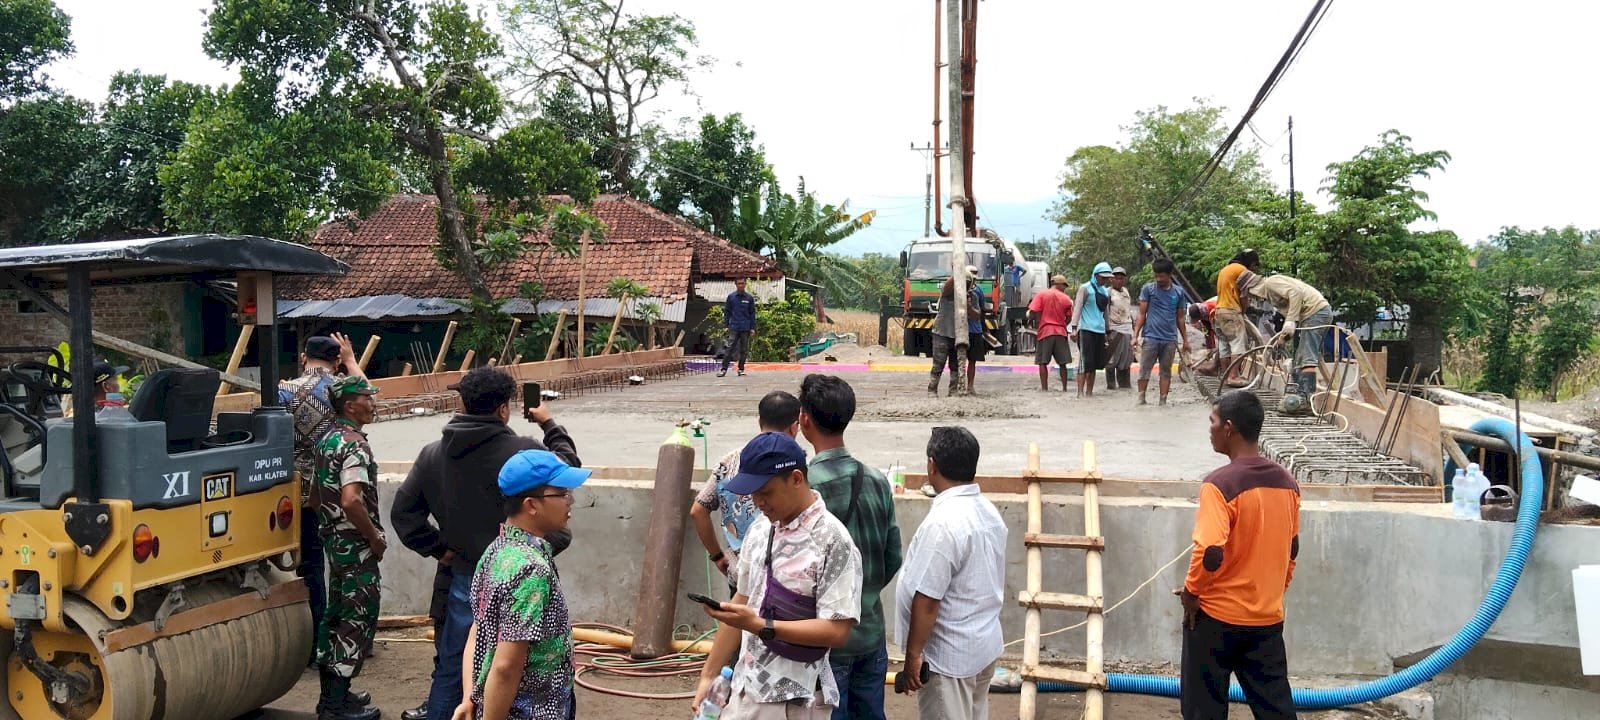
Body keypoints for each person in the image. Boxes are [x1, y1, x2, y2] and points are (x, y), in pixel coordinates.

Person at [391, 366, 582, 720]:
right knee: (516, 666)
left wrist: (438, 548)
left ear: (462, 402)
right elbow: (564, 471)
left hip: (464, 574)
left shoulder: (433, 454)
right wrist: (549, 424)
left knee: (456, 670)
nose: (566, 500)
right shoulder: (521, 453)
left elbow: (404, 513)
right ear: (503, 409)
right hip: (516, 572)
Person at [691, 432, 864, 719]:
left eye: (765, 492)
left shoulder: (832, 541)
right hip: (744, 686)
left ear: (796, 478)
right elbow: (742, 600)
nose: (758, 501)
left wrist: (762, 625)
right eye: (752, 493)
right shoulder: (760, 529)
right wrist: (708, 676)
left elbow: (837, 630)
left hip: (795, 700)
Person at [1178, 390, 1301, 720]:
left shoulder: (1218, 485)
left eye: (1213, 421)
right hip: (1266, 619)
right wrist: (1273, 592)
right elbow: (1292, 549)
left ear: (1229, 428)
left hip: (1216, 619)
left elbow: (1210, 551)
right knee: (1276, 708)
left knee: (1203, 709)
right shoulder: (1288, 483)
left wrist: (1192, 593)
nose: (1210, 428)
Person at [450, 449, 591, 720]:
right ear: (531, 505)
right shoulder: (530, 570)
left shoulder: (496, 551)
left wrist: (470, 697)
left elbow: (477, 632)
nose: (570, 501)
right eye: (561, 494)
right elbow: (506, 666)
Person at [799, 374, 902, 720]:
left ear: (804, 420)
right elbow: (892, 556)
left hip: (827, 643)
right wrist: (865, 593)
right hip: (871, 633)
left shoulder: (804, 490)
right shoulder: (876, 480)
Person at [897, 426, 1007, 720]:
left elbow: (928, 599)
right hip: (980, 642)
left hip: (950, 656)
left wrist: (913, 655)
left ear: (931, 466)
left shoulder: (944, 523)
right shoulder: (987, 510)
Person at [278, 333, 360, 672]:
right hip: (341, 486)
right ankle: (349, 641)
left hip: (299, 492)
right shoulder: (341, 390)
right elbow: (372, 402)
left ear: (303, 357)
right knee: (346, 566)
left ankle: (314, 645)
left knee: (310, 567)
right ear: (336, 361)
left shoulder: (283, 391)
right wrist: (353, 364)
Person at [312, 375, 385, 720]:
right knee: (358, 618)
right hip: (356, 545)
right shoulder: (354, 444)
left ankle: (332, 696)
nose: (373, 403)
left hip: (333, 542)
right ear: (349, 405)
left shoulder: (326, 440)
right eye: (367, 398)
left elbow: (313, 496)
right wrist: (373, 536)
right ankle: (336, 706)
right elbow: (352, 499)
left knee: (335, 614)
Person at [691, 390, 803, 596]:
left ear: (760, 421)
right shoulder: (795, 467)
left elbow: (698, 510)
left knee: (739, 626)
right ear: (795, 427)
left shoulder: (728, 462)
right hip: (782, 583)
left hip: (740, 576)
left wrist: (717, 556)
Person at [1237, 270, 1333, 397]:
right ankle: (1299, 395)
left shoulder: (1271, 282)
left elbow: (1296, 293)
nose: (1252, 298)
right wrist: (1282, 339)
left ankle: (1305, 398)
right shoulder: (1271, 296)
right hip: (1311, 315)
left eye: (1249, 295)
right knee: (1299, 357)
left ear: (1252, 289)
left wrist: (1291, 320)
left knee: (1306, 357)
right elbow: (1292, 313)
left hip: (1315, 312)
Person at [1134, 258, 1191, 406]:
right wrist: (1135, 336)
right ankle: (1141, 399)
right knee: (1144, 369)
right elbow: (1141, 314)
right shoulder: (1148, 289)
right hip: (1151, 337)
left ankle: (1163, 401)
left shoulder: (1178, 293)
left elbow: (1180, 318)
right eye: (1156, 275)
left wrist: (1185, 340)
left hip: (1169, 339)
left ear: (1170, 274)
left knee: (1165, 372)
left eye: (1162, 276)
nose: (1159, 279)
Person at [928, 266, 982, 397]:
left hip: (959, 335)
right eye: (965, 282)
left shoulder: (972, 296)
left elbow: (977, 315)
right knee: (938, 365)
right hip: (942, 332)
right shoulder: (948, 293)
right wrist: (958, 273)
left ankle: (953, 391)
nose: (967, 285)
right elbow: (947, 286)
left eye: (969, 283)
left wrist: (969, 307)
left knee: (956, 366)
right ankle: (932, 390)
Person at [1213, 250, 1260, 388]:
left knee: (1224, 345)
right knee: (1239, 344)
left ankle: (1226, 376)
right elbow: (1243, 296)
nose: (1253, 268)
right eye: (1254, 265)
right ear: (1251, 263)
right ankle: (1233, 377)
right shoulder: (1242, 270)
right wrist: (1244, 311)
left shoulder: (1225, 269)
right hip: (1232, 311)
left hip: (1219, 311)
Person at [1070, 262, 1115, 397]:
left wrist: (1107, 331)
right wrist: (1073, 328)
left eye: (1107, 278)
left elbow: (1105, 313)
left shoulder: (1104, 292)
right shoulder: (1085, 288)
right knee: (1085, 362)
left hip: (1099, 331)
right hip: (1086, 330)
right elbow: (1077, 308)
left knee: (1095, 363)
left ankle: (1089, 393)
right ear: (1096, 276)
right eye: (1102, 278)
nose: (1105, 280)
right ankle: (1079, 393)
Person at [1028, 274, 1074, 392]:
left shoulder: (1041, 295)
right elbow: (1069, 318)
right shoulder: (1066, 299)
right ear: (1059, 284)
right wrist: (1062, 323)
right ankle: (1064, 388)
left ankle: (1044, 389)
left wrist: (1035, 319)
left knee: (1042, 362)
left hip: (1045, 332)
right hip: (1060, 332)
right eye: (1064, 285)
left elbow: (1032, 311)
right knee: (1063, 363)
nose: (1065, 288)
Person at [1105, 267, 1135, 391]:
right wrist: (1106, 330)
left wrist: (1133, 325)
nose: (1119, 281)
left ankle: (1125, 385)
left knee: (1126, 359)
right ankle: (1111, 385)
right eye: (1116, 278)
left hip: (1127, 328)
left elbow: (1128, 309)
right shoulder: (1108, 292)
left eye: (1121, 278)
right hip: (1114, 328)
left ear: (1124, 279)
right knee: (1112, 359)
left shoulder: (1126, 292)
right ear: (1111, 280)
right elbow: (1105, 312)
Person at [721, 278, 758, 378]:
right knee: (730, 348)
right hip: (734, 327)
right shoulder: (731, 297)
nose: (741, 285)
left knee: (744, 350)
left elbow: (752, 314)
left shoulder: (749, 298)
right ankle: (723, 369)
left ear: (745, 284)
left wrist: (753, 328)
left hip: (745, 327)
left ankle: (741, 369)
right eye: (739, 283)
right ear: (735, 284)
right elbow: (727, 312)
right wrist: (726, 325)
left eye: (742, 283)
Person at [962, 281, 990, 393]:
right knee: (959, 360)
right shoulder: (955, 292)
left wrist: (984, 328)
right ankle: (960, 385)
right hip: (961, 330)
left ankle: (970, 385)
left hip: (974, 330)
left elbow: (980, 312)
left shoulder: (976, 292)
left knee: (972, 360)